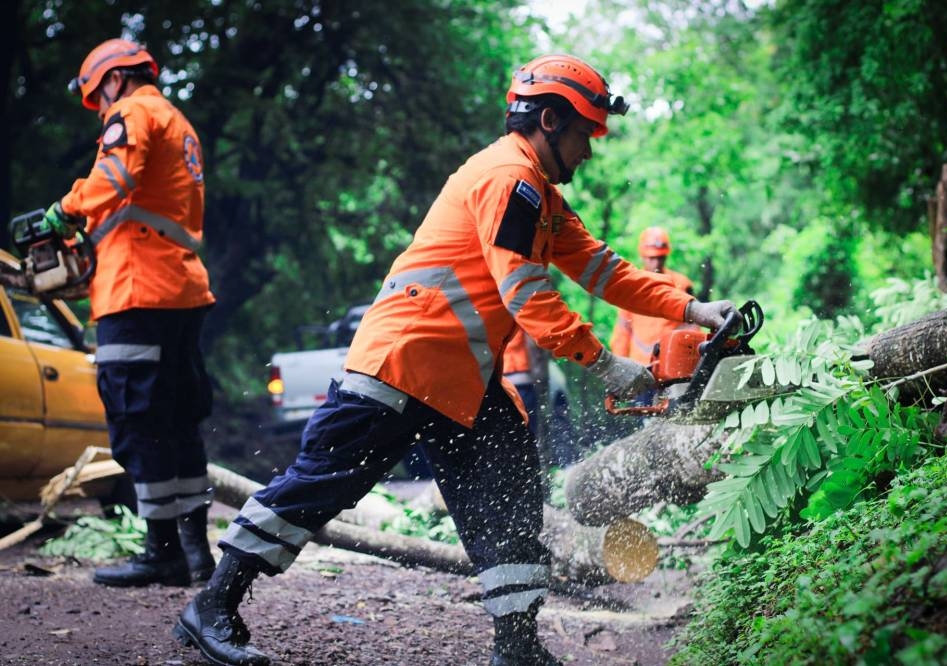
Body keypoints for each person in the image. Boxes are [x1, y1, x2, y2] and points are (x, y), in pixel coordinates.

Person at [173, 53, 735, 666]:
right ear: (550, 119)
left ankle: (517, 646)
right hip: (403, 361)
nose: (588, 152)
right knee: (324, 482)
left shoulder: (539, 195)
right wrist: (603, 363)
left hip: (463, 377)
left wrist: (696, 311)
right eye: (583, 135)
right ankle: (214, 606)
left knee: (511, 489)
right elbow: (525, 292)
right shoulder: (507, 179)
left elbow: (604, 269)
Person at [46, 39, 217, 587]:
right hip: (179, 290)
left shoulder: (133, 111)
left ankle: (163, 552)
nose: (101, 110)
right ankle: (195, 553)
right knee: (177, 421)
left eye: (98, 97)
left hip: (136, 290)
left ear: (114, 80)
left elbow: (113, 179)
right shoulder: (179, 123)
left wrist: (65, 210)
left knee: (137, 422)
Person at [609, 226, 698, 365]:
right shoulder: (632, 285)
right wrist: (619, 367)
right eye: (652, 258)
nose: (656, 263)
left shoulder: (682, 284)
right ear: (643, 255)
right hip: (640, 368)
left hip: (672, 366)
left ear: (666, 255)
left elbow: (692, 329)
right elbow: (622, 332)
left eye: (660, 258)